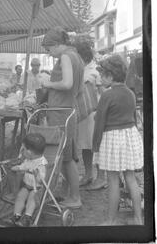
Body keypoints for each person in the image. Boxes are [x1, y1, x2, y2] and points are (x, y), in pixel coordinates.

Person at [93, 54, 143, 225]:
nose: (100, 77)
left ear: (110, 76)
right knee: (130, 177)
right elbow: (134, 118)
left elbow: (99, 123)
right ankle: (138, 218)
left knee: (113, 179)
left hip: (112, 137)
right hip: (130, 135)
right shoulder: (130, 93)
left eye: (103, 74)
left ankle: (111, 220)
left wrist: (95, 146)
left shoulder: (107, 95)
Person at [41, 26, 84, 209]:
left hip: (61, 112)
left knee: (65, 157)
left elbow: (67, 83)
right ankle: (70, 195)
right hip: (66, 109)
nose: (49, 54)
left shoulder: (66, 56)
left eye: (49, 49)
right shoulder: (76, 56)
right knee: (67, 156)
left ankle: (75, 198)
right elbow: (77, 88)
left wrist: (48, 83)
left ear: (58, 44)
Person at [74, 41, 107, 189]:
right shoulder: (78, 69)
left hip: (95, 113)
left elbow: (102, 94)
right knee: (85, 145)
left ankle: (101, 177)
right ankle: (88, 174)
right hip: (82, 113)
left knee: (97, 145)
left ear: (84, 55)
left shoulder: (95, 71)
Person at [11, 133, 48, 227]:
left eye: (23, 149)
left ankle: (27, 217)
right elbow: (24, 166)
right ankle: (17, 215)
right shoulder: (28, 159)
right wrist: (18, 168)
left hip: (37, 188)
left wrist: (37, 175)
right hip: (26, 185)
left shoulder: (41, 163)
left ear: (29, 152)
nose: (22, 151)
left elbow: (41, 180)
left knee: (32, 199)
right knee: (20, 196)